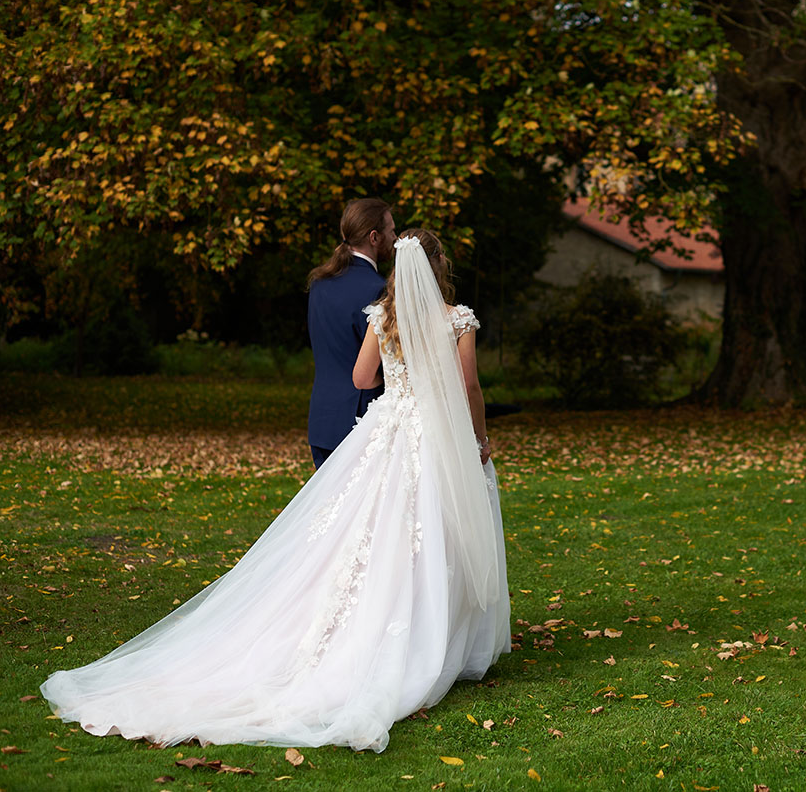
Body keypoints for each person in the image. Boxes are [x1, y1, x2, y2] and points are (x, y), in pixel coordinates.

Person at [41, 229, 509, 753]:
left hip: (388, 432)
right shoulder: (457, 319)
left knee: (370, 534)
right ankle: (430, 639)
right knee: (433, 533)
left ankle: (374, 628)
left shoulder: (384, 316)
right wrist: (480, 437)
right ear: (439, 265)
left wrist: (400, 383)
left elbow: (360, 377)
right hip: (436, 434)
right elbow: (468, 386)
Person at [307, 197, 396, 468]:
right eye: (391, 231)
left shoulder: (319, 284)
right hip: (360, 422)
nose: (395, 238)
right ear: (374, 237)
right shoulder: (378, 291)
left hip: (322, 420)